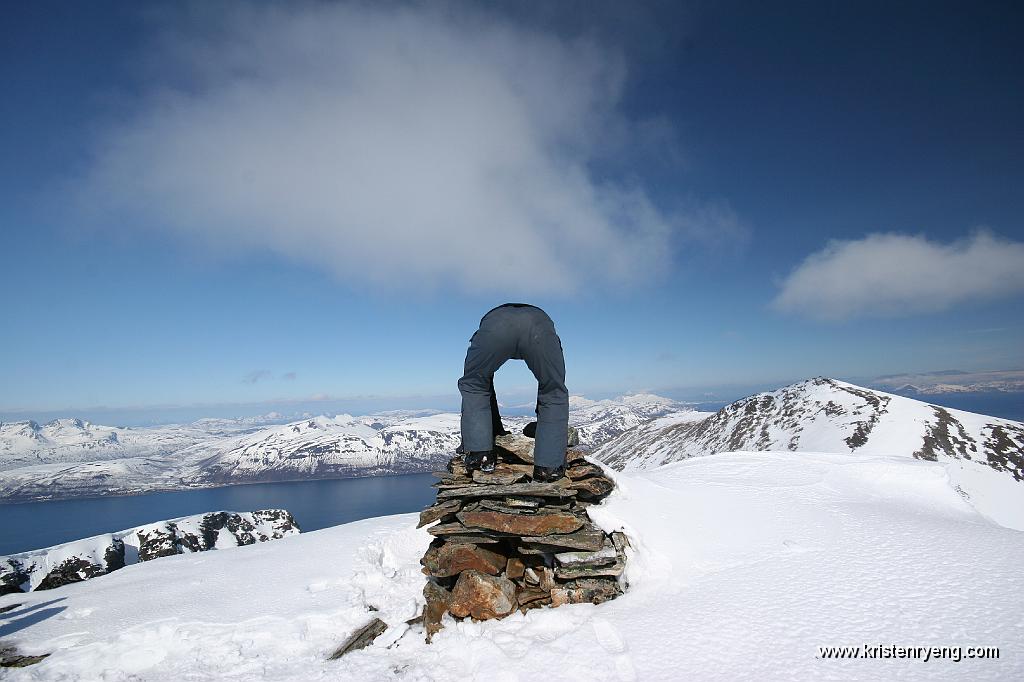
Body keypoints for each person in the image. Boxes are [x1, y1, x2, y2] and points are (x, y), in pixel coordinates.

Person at [458, 303, 569, 482]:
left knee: (475, 384)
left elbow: (477, 382)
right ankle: (549, 467)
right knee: (553, 391)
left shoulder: (494, 318)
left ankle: (480, 456)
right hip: (539, 326)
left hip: (495, 326)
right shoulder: (539, 319)